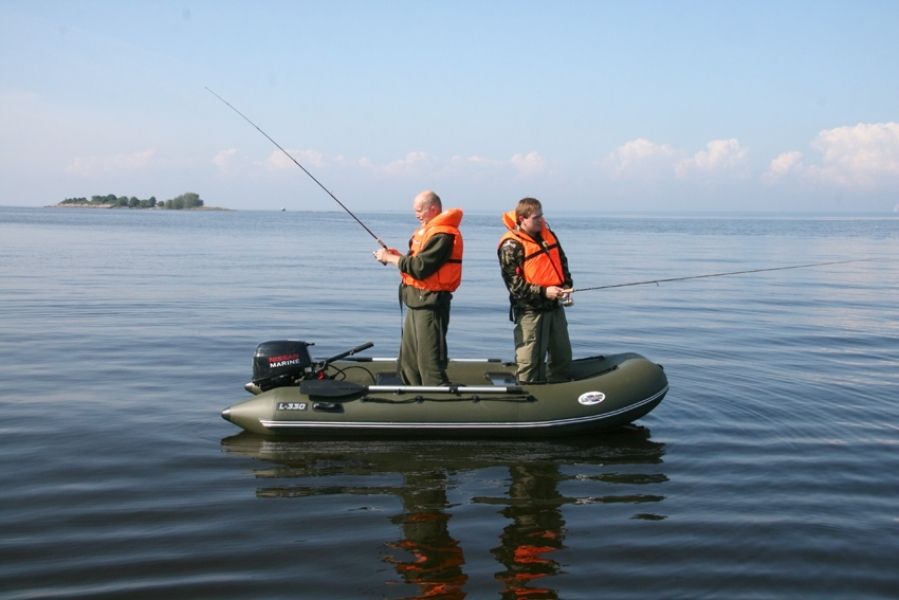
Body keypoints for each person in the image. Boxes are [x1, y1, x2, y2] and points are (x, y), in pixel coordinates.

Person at [374, 190, 463, 385]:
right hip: (416, 302)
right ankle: (412, 391)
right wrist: (394, 256)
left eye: (420, 210)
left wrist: (390, 259)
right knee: (409, 359)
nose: (417, 214)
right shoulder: (427, 232)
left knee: (429, 358)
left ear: (433, 209)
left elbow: (420, 267)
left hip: (431, 304)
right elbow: (414, 262)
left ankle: (437, 393)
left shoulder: (443, 235)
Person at [498, 197, 573, 383]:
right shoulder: (511, 245)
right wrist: (543, 292)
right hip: (530, 312)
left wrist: (566, 287)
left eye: (542, 215)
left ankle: (559, 390)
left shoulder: (549, 235)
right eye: (535, 218)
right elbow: (514, 285)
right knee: (529, 361)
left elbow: (562, 263)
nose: (541, 220)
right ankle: (527, 393)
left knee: (562, 355)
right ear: (522, 219)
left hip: (555, 308)